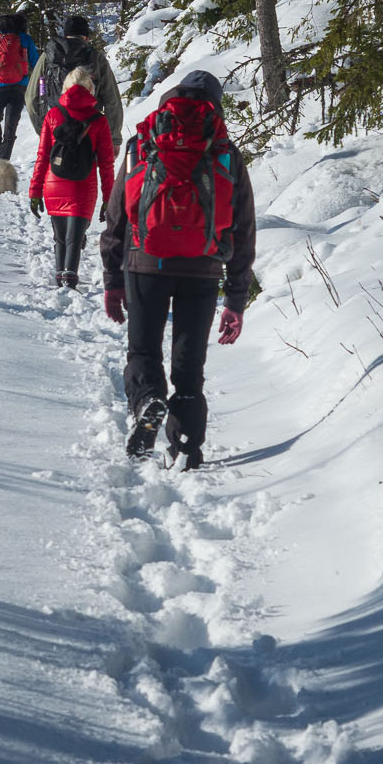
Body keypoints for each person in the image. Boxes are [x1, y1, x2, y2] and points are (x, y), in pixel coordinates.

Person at [100, 69, 256, 468]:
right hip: (202, 268)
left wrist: (113, 281)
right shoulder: (225, 152)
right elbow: (242, 228)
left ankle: (148, 400)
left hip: (145, 262)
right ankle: (186, 445)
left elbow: (117, 214)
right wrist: (236, 300)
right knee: (189, 365)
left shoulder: (142, 144)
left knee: (143, 349)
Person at [28, 67, 116, 288]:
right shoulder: (99, 120)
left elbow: (42, 156)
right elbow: (106, 164)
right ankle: (69, 279)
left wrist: (35, 191)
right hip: (83, 185)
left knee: (60, 238)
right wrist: (109, 198)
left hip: (53, 183)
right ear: (90, 88)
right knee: (74, 239)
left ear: (65, 87)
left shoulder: (53, 114)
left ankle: (61, 280)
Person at [26, 15, 124, 149]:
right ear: (86, 37)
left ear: (65, 35)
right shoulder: (95, 57)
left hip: (56, 129)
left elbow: (31, 97)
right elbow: (111, 100)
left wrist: (43, 131)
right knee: (87, 168)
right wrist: (114, 139)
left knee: (56, 168)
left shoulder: (48, 57)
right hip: (89, 130)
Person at [0, 10, 39, 159]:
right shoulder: (26, 38)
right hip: (20, 85)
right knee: (11, 126)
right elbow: (36, 63)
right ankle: (4, 159)